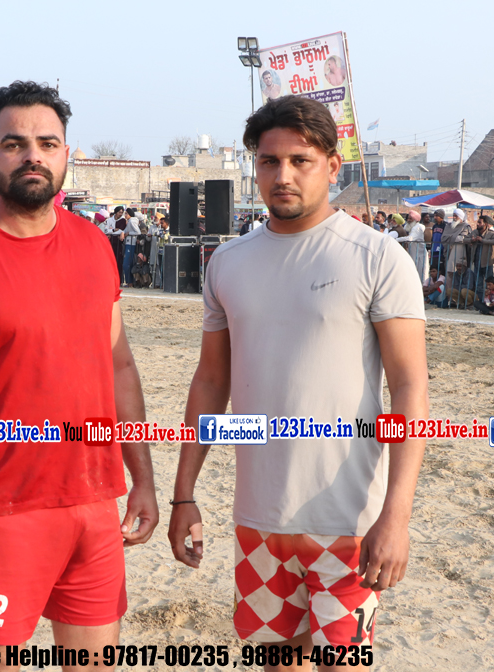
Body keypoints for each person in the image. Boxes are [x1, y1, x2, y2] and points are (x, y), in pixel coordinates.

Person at [0, 80, 156, 666]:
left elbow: (119, 367)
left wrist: (141, 477)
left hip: (94, 505)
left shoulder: (94, 246)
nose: (32, 155)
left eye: (47, 143)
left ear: (66, 154)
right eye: (14, 144)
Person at [168, 95, 428, 663]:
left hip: (348, 522)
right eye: (269, 161)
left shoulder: (378, 258)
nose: (282, 175)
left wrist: (397, 517)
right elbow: (210, 382)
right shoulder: (227, 263)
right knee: (276, 661)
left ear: (332, 166)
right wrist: (184, 493)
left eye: (300, 161)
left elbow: (410, 389)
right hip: (258, 520)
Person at [396, 209, 428, 283]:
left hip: (419, 254)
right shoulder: (411, 227)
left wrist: (396, 239)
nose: (408, 220)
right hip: (413, 252)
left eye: (411, 219)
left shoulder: (417, 227)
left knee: (421, 273)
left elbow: (410, 238)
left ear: (416, 220)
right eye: (408, 218)